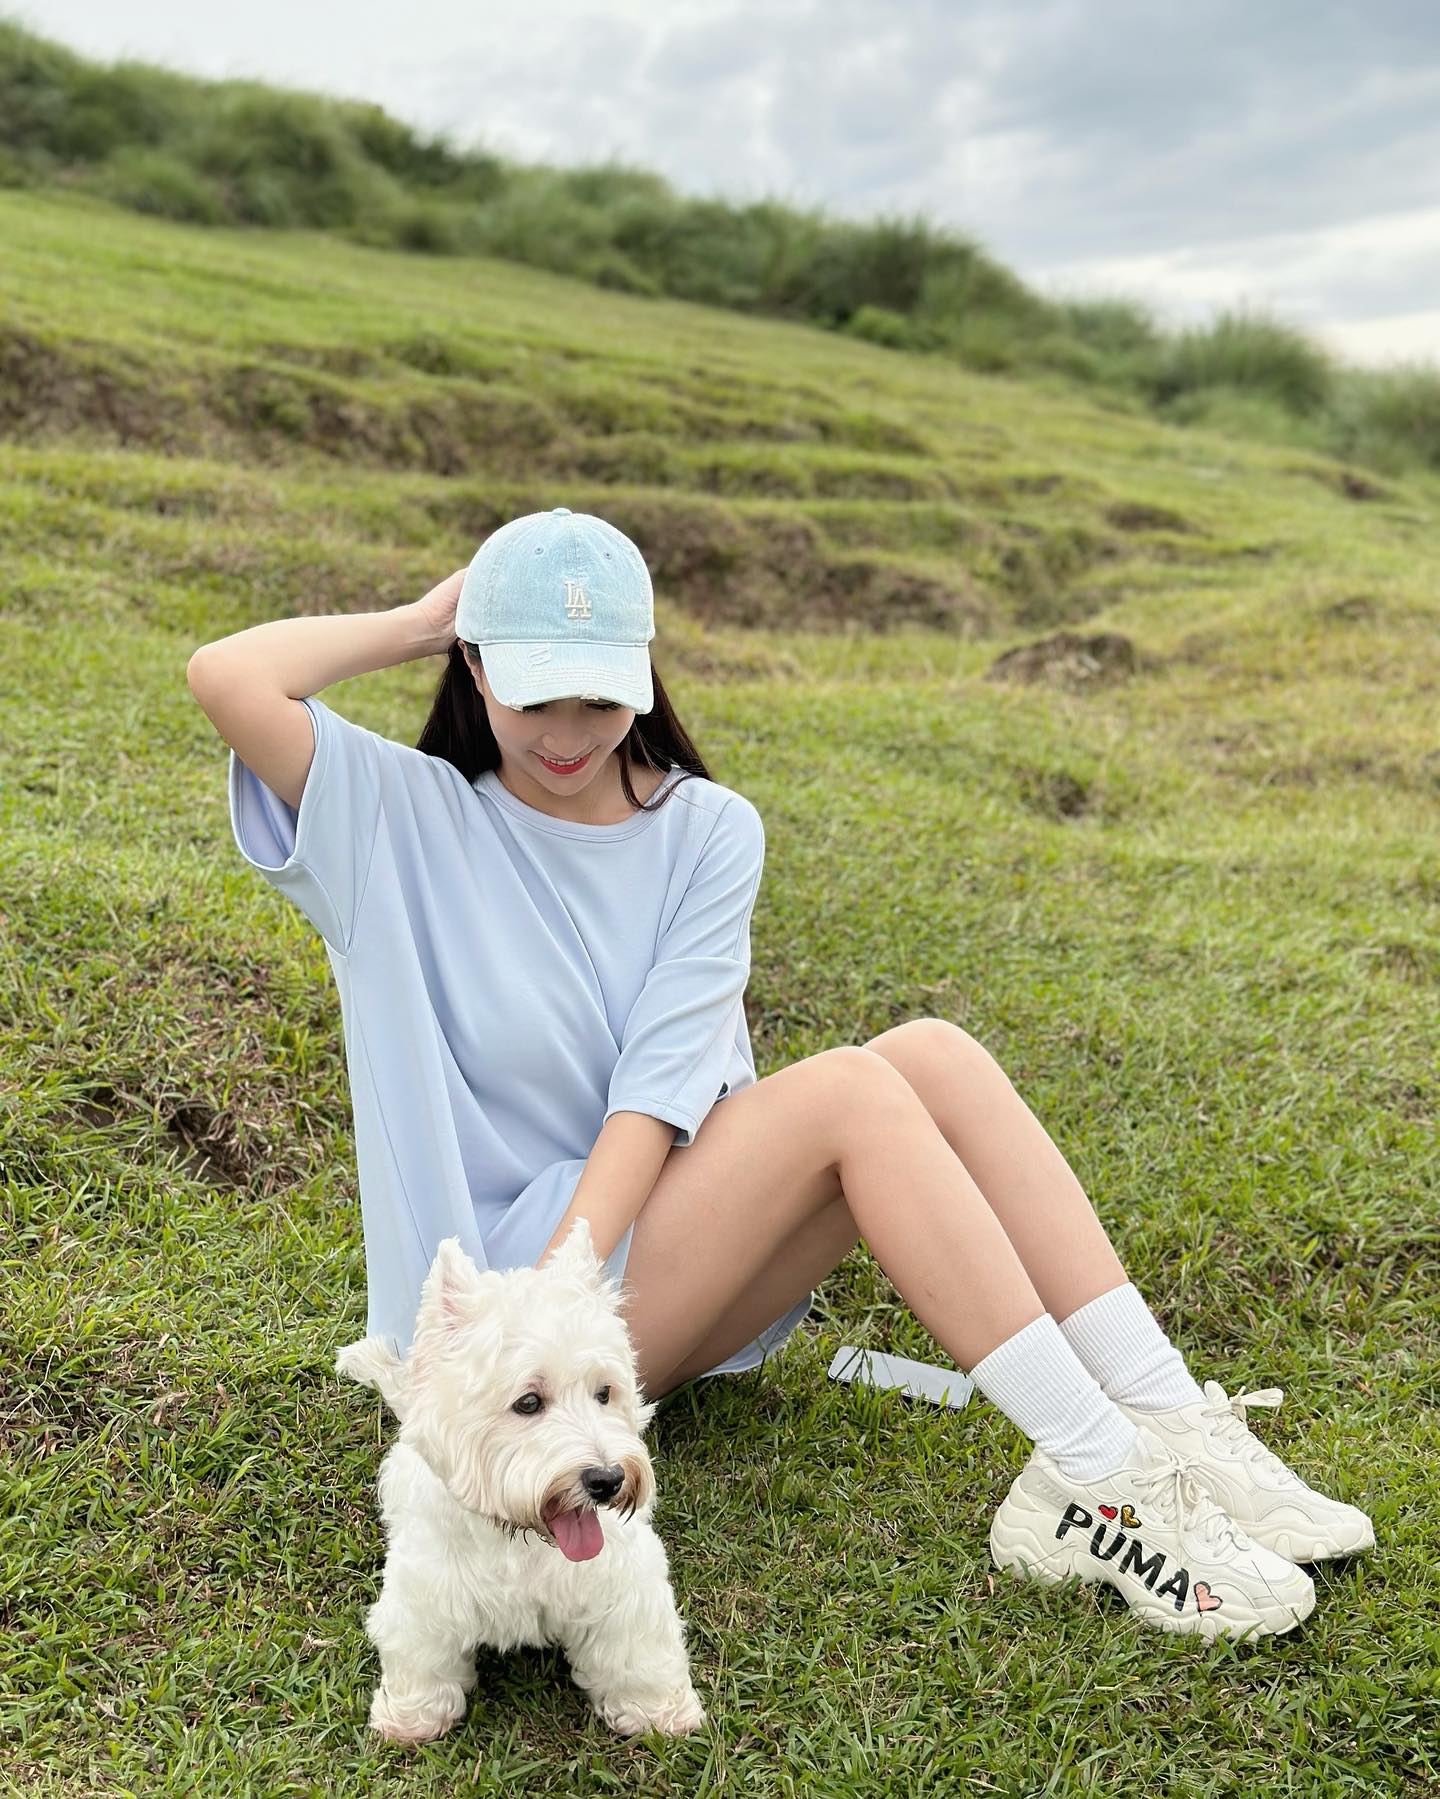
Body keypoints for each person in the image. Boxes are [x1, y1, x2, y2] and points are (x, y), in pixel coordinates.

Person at [186, 505, 1373, 1640]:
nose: (567, 730)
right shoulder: (398, 816)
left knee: (932, 1054)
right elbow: (228, 675)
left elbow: (659, 1089)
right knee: (853, 1089)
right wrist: (421, 621)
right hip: (499, 1329)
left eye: (600, 694)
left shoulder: (707, 828)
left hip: (635, 1270)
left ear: (645, 676)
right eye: (534, 691)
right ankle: (1101, 1476)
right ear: (477, 667)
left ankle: (1172, 1423)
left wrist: (577, 1283)